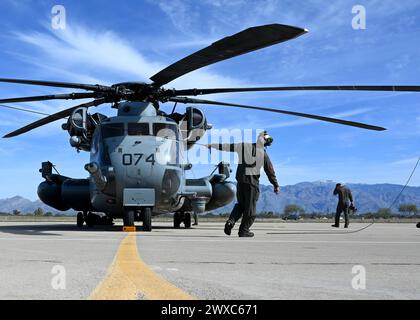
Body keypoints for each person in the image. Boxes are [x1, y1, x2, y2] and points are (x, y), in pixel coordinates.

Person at [207, 131, 279, 237]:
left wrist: (213, 146)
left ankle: (230, 222)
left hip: (240, 182)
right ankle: (244, 230)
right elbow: (270, 171)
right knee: (250, 209)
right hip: (252, 184)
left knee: (240, 206)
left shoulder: (244, 146)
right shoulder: (263, 154)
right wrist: (275, 185)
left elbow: (228, 147)